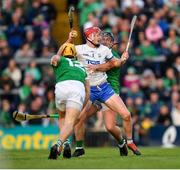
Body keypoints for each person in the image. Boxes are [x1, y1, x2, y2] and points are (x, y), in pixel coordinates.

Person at [51, 27, 141, 157]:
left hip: (104, 88)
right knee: (78, 119)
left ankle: (129, 142)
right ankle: (76, 147)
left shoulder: (105, 50)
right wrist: (69, 40)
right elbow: (60, 54)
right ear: (90, 36)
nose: (100, 37)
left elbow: (113, 64)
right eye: (98, 35)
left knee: (126, 115)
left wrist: (122, 60)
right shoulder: (79, 48)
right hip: (88, 89)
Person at [48, 43, 89, 159]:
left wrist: (67, 41)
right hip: (77, 90)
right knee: (70, 122)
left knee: (62, 117)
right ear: (75, 54)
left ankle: (66, 144)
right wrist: (82, 106)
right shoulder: (82, 66)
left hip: (61, 88)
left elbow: (56, 57)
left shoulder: (59, 59)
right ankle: (58, 144)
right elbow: (88, 91)